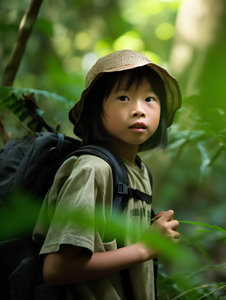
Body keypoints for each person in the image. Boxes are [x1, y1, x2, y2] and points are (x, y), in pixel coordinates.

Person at [32, 49, 182, 300]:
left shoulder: (139, 169)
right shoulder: (92, 169)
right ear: (95, 109)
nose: (138, 110)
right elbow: (56, 269)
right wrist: (145, 248)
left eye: (150, 99)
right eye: (123, 97)